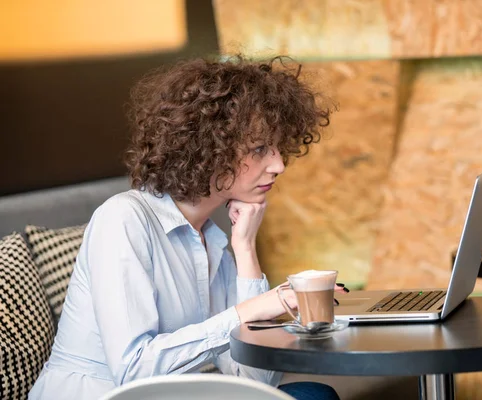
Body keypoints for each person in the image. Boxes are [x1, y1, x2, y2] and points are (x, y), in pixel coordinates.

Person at [29, 55, 343, 400]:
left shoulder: (212, 242)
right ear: (209, 146)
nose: (279, 165)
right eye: (259, 148)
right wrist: (251, 310)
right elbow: (134, 371)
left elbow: (255, 385)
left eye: (278, 148)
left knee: (314, 393)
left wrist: (245, 249)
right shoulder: (123, 219)